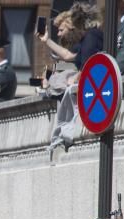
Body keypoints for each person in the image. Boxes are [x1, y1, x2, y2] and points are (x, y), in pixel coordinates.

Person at [39, 3, 104, 150]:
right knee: (59, 79)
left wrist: (77, 77)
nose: (59, 34)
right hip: (83, 82)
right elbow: (69, 55)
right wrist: (47, 41)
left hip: (90, 83)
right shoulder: (86, 39)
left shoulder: (92, 36)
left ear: (75, 25)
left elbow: (91, 63)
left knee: (64, 79)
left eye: (62, 30)